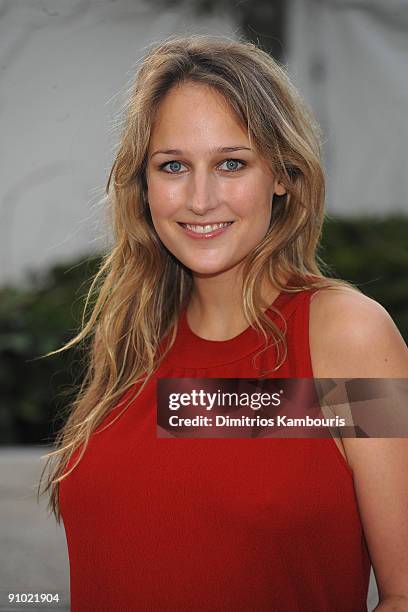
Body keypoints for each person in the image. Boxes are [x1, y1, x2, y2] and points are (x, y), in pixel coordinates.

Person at [39, 35, 408, 611]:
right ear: (144, 184)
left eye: (231, 163)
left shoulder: (347, 336)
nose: (201, 198)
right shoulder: (135, 338)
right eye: (173, 166)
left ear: (282, 175)